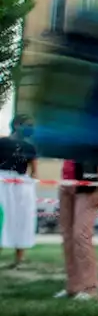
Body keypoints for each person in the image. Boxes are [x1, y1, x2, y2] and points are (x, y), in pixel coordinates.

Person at [56, 160, 98, 299]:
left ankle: (91, 288)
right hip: (66, 182)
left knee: (81, 235)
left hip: (88, 184)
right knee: (68, 237)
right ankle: (73, 287)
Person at [0, 115, 38, 268]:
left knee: (22, 219)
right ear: (17, 125)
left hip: (20, 184)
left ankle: (19, 258)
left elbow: (35, 171)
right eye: (28, 125)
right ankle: (16, 257)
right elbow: (35, 172)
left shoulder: (30, 147)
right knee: (3, 219)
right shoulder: (2, 143)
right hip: (3, 183)